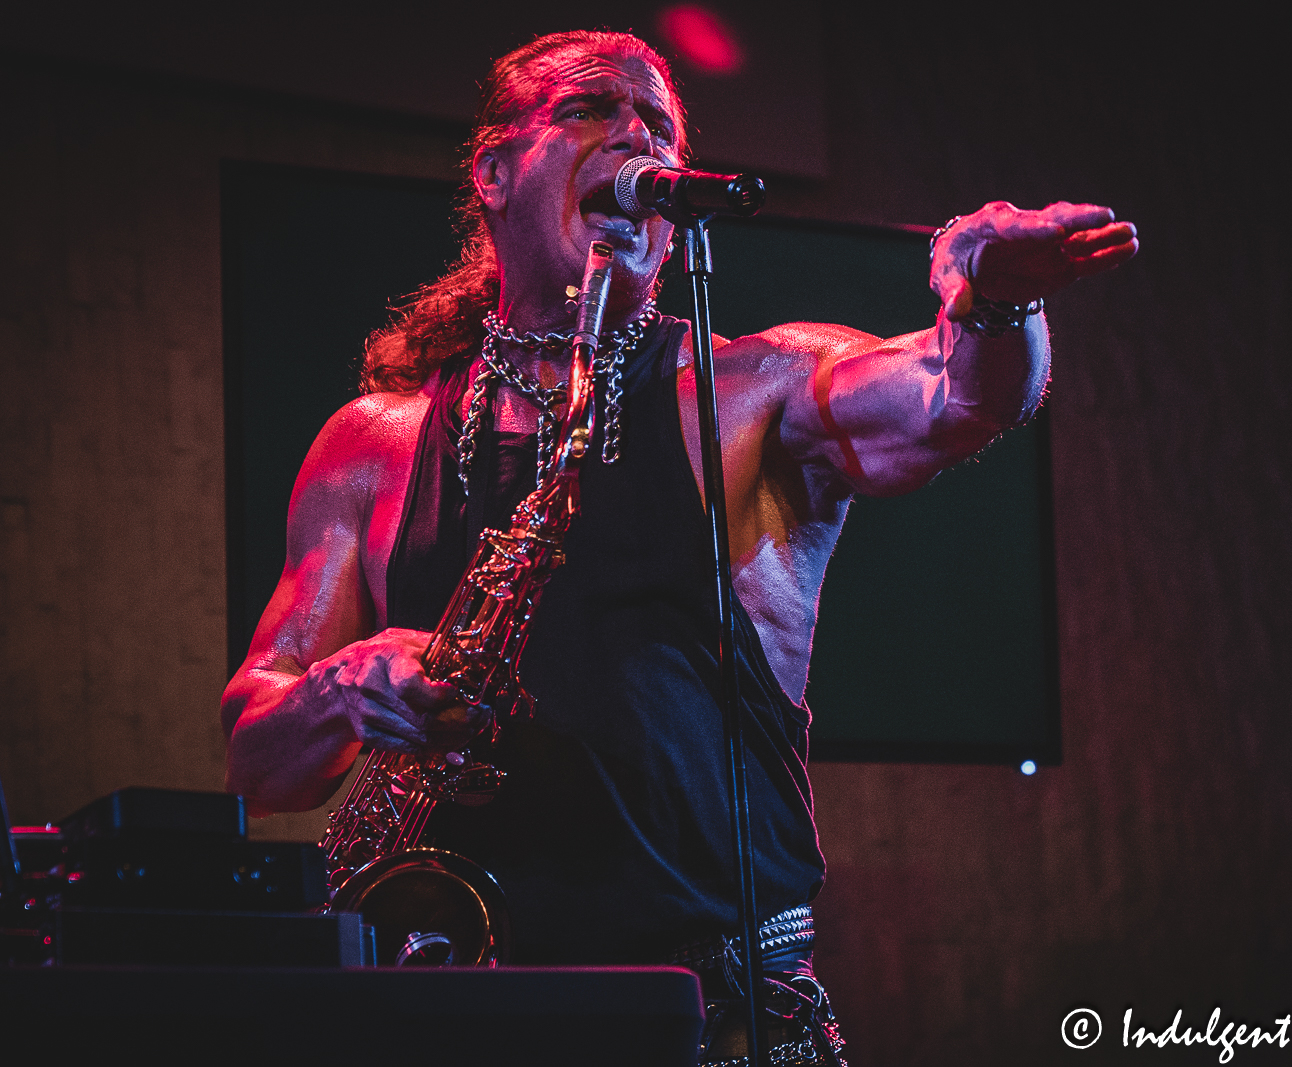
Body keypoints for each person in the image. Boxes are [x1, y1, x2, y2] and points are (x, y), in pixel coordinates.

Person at [220, 28, 1136, 1065]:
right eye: (589, 108)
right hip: (451, 1004)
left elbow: (954, 397)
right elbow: (258, 758)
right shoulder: (370, 443)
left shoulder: (752, 387)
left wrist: (995, 299)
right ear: (493, 170)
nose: (636, 135)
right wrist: (341, 686)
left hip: (715, 1006)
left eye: (657, 121)